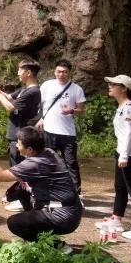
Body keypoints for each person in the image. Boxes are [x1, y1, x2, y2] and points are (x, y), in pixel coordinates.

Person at [0, 126, 82, 246]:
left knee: (15, 223)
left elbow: (0, 176)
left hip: (64, 217)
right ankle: (42, 231)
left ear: (30, 149)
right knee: (20, 190)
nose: (17, 146)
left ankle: (56, 246)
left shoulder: (35, 163)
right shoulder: (48, 152)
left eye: (19, 144)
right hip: (72, 210)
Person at [94, 75, 131, 241]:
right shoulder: (122, 107)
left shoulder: (129, 108)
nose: (110, 86)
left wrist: (125, 155)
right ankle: (116, 220)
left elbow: (128, 132)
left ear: (124, 88)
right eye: (110, 84)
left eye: (114, 84)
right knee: (120, 187)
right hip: (123, 153)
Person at [0, 60, 42, 211]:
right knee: (16, 166)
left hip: (22, 136)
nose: (17, 73)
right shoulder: (25, 89)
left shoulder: (33, 91)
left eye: (19, 70)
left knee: (19, 169)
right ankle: (20, 197)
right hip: (16, 135)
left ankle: (24, 199)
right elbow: (10, 97)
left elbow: (10, 107)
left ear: (28, 72)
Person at [37, 59, 86, 195]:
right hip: (49, 130)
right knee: (48, 161)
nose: (61, 74)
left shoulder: (77, 89)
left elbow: (81, 111)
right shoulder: (47, 85)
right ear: (54, 71)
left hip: (68, 133)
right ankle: (49, 190)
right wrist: (40, 118)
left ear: (69, 73)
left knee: (70, 162)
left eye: (64, 72)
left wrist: (71, 110)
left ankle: (75, 193)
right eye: (59, 71)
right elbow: (39, 104)